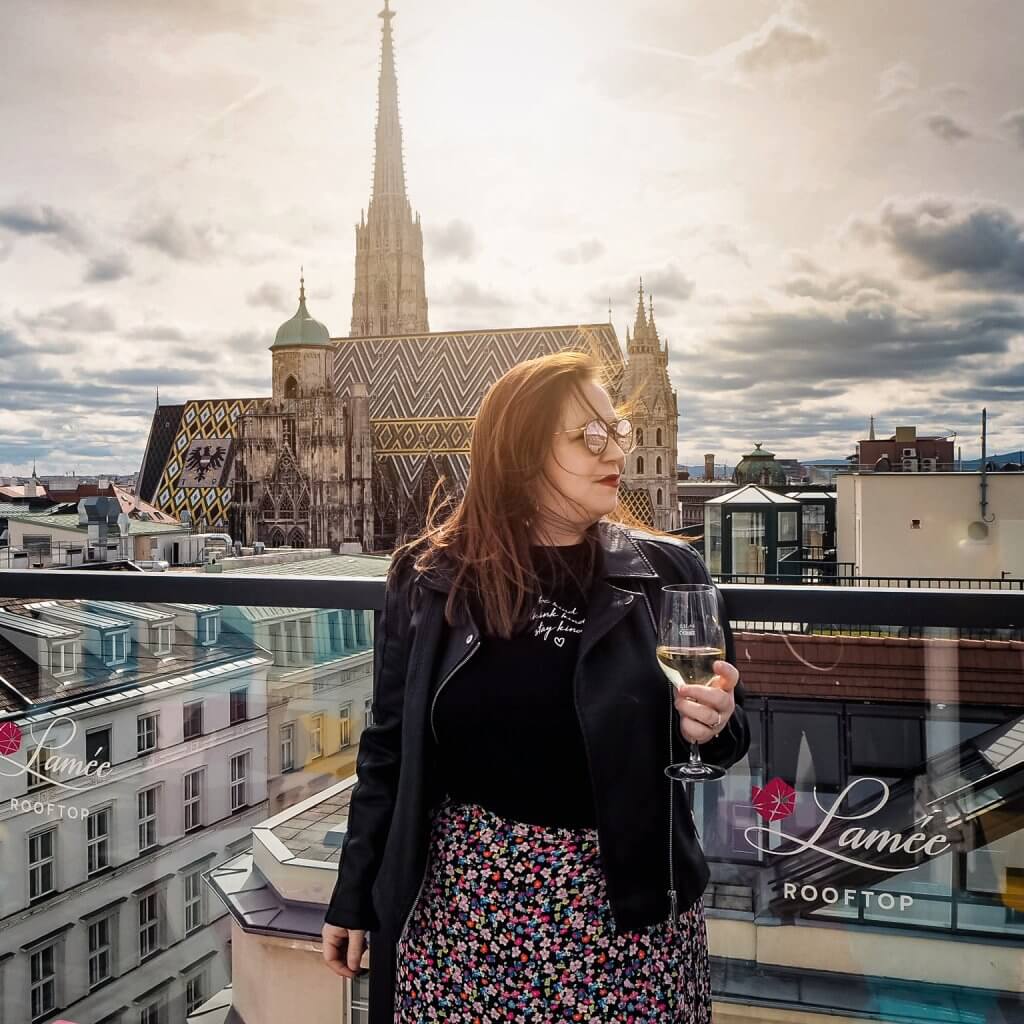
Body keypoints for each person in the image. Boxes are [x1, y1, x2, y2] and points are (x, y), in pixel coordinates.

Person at [321, 349, 750, 1023]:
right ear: (521, 455)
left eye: (620, 431)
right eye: (590, 436)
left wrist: (714, 724)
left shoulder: (671, 570)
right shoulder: (431, 575)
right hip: (465, 911)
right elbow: (388, 748)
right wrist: (356, 893)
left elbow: (727, 731)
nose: (615, 451)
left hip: (627, 912)